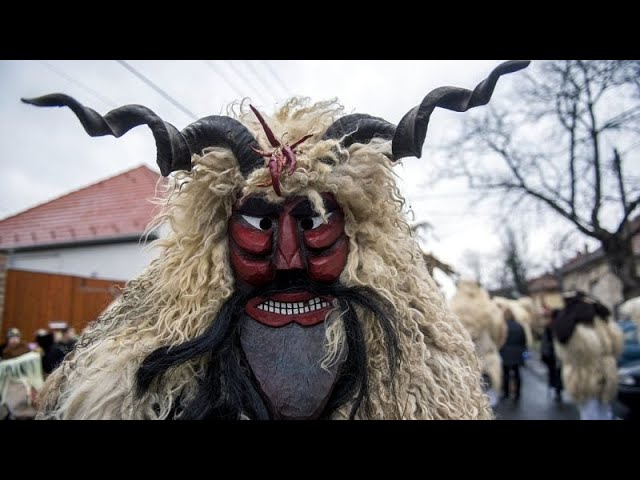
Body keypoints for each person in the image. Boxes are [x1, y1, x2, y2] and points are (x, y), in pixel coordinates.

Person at [24, 61, 529, 419]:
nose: (289, 260)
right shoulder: (127, 387)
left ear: (363, 238)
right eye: (260, 226)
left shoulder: (430, 386)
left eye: (313, 225)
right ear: (213, 244)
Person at [552, 291, 623, 420]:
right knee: (602, 410)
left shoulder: (568, 321)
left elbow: (563, 341)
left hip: (585, 373)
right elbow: (615, 346)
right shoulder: (601, 319)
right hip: (597, 371)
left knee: (591, 411)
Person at [499, 306, 528, 402]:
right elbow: (524, 340)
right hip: (517, 353)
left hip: (505, 353)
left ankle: (506, 393)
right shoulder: (519, 325)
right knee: (517, 373)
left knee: (505, 374)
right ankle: (517, 394)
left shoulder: (503, 326)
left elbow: (500, 340)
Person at [540, 309, 563, 402]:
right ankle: (558, 390)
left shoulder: (550, 325)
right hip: (559, 354)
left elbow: (545, 341)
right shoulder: (562, 326)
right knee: (559, 373)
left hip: (551, 354)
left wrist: (545, 353)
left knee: (552, 372)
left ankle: (554, 389)